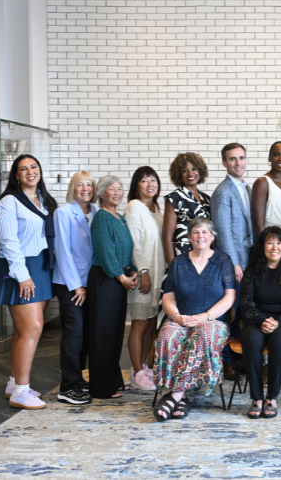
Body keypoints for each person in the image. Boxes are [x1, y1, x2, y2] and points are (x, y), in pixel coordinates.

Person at [0, 154, 58, 410]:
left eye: (34, 167)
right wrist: (22, 275)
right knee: (32, 329)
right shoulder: (9, 202)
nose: (30, 172)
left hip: (41, 266)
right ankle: (21, 391)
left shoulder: (45, 201)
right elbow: (7, 242)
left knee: (23, 330)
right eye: (23, 169)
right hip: (20, 268)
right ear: (16, 176)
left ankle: (13, 383)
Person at [152, 217, 235, 421]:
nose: (201, 236)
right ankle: (181, 400)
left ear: (212, 236)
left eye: (205, 232)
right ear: (189, 237)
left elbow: (229, 296)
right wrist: (177, 317)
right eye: (196, 232)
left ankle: (175, 395)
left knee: (203, 337)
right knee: (167, 337)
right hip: (182, 318)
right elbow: (168, 296)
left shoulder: (223, 261)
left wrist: (204, 317)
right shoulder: (179, 262)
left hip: (212, 321)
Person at [239, 226, 281, 419]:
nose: (274, 247)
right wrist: (261, 321)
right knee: (251, 341)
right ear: (263, 246)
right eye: (269, 242)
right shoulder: (252, 271)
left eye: (279, 242)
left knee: (279, 342)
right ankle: (257, 398)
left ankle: (272, 397)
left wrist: (277, 322)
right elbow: (245, 303)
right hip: (255, 321)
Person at [88, 175, 139, 399]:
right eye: (112, 189)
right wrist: (121, 276)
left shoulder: (119, 217)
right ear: (101, 194)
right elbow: (107, 251)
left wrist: (133, 270)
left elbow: (127, 247)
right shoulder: (101, 218)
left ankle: (114, 379)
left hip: (118, 279)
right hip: (105, 279)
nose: (117, 193)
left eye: (120, 189)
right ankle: (100, 387)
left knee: (115, 333)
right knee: (103, 334)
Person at [52, 170, 98, 405]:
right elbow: (62, 250)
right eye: (80, 185)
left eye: (89, 184)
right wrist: (76, 285)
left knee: (87, 333)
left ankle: (78, 379)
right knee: (74, 331)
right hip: (70, 283)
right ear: (73, 188)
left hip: (93, 284)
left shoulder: (98, 212)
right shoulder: (62, 212)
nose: (85, 189)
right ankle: (67, 386)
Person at [211, 143, 254, 380]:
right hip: (234, 265)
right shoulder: (223, 192)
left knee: (245, 315)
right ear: (224, 163)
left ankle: (241, 360)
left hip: (248, 262)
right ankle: (226, 363)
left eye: (241, 158)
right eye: (232, 159)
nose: (238, 163)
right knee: (230, 315)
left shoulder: (245, 188)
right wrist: (235, 264)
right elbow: (222, 232)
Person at [125, 166, 165, 391]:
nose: (150, 185)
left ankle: (143, 366)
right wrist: (143, 272)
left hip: (159, 276)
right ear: (136, 185)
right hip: (144, 275)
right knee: (139, 324)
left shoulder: (156, 209)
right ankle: (136, 371)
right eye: (144, 181)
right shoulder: (134, 207)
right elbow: (134, 243)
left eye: (153, 180)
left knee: (151, 323)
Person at [163, 152, 210, 266]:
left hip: (204, 257)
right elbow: (166, 236)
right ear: (178, 174)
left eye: (194, 169)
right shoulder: (174, 198)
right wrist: (173, 266)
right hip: (182, 257)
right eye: (184, 170)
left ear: (200, 171)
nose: (190, 173)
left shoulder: (207, 199)